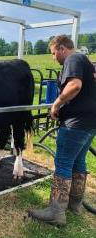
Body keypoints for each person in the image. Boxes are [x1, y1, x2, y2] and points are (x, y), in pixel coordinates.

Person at [28, 35, 96, 226]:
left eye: (53, 53)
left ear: (61, 48)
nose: (53, 58)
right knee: (78, 162)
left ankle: (56, 212)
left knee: (63, 162)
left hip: (75, 124)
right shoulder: (86, 61)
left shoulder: (73, 59)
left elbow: (75, 86)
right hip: (90, 123)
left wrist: (56, 104)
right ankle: (75, 204)